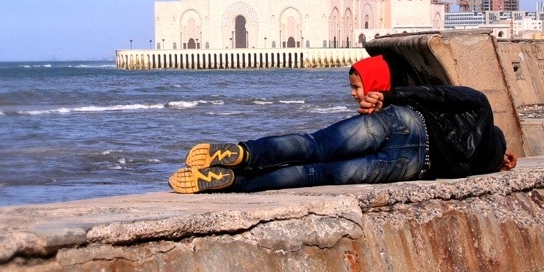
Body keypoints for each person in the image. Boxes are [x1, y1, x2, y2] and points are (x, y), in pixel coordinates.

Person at [168, 54, 517, 194]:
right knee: (316, 174)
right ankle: (236, 183)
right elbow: (490, 157)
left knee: (315, 146)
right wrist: (499, 160)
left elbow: (439, 95)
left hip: (408, 124)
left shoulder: (481, 109)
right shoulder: (482, 161)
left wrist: (390, 96)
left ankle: (246, 154)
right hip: (412, 166)